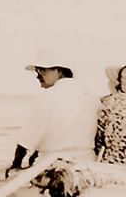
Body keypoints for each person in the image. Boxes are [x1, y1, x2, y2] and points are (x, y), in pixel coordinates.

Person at [5, 48, 99, 178]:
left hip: (53, 168)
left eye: (42, 70)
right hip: (87, 166)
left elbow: (27, 139)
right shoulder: (91, 96)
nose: (38, 75)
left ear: (59, 71)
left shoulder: (47, 97)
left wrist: (15, 166)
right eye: (37, 70)